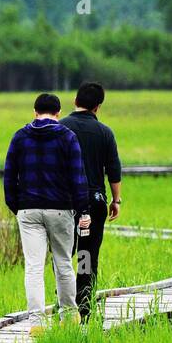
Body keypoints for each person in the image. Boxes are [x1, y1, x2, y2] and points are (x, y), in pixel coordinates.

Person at [3, 93, 90, 330]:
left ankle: (37, 323)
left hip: (28, 211)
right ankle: (70, 316)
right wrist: (83, 210)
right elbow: (78, 177)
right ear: (59, 113)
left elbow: (9, 176)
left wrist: (18, 207)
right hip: (61, 209)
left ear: (34, 112)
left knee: (33, 267)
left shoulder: (20, 137)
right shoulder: (68, 137)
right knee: (63, 263)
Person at [60, 82, 123, 322]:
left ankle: (64, 304)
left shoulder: (62, 127)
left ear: (75, 101)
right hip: (94, 201)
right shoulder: (105, 132)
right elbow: (113, 170)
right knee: (87, 254)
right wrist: (116, 200)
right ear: (98, 107)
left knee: (65, 254)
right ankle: (84, 308)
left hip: (66, 203)